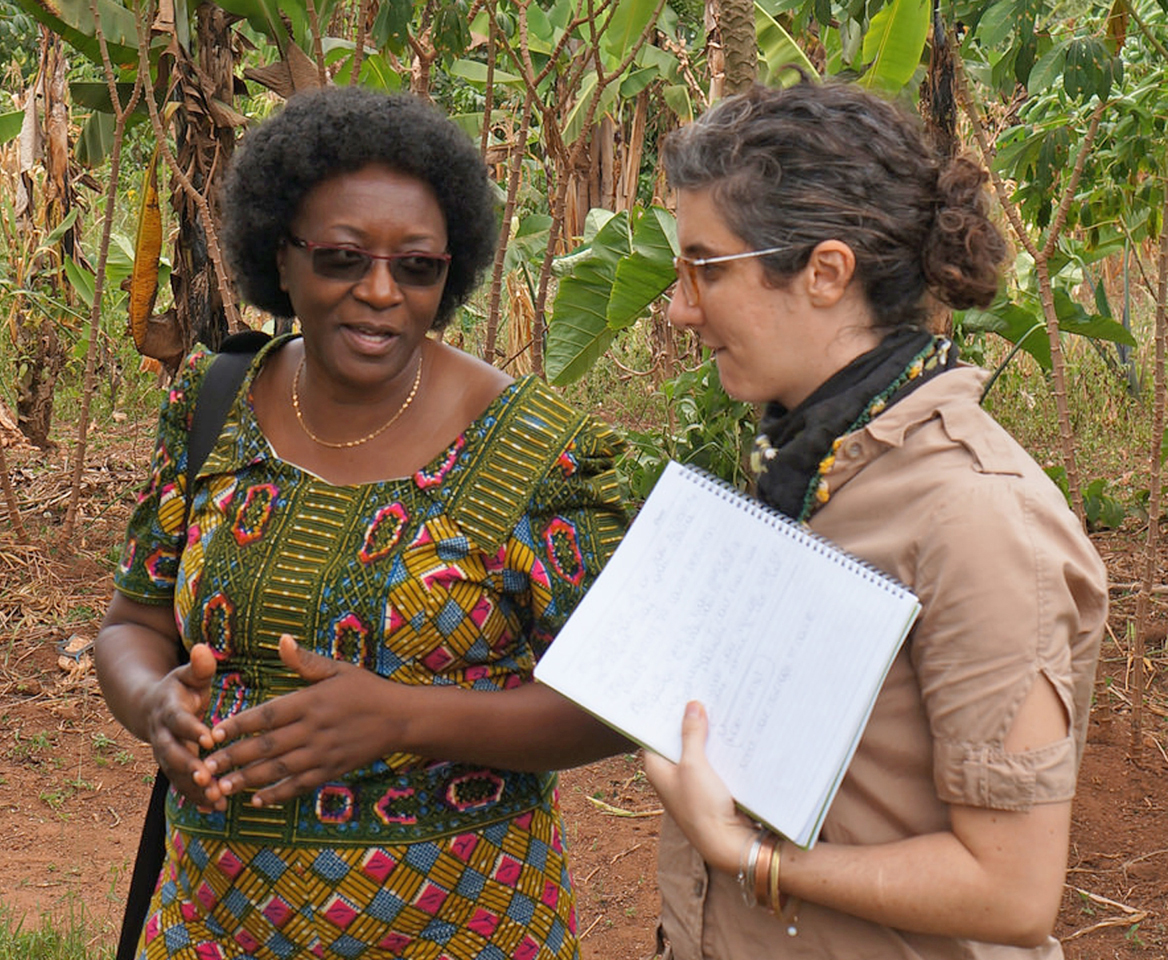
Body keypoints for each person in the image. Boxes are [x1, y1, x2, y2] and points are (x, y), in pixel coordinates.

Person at [96, 85, 629, 960]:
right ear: (283, 253)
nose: (380, 292)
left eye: (417, 268)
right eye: (343, 258)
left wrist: (407, 719)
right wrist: (153, 701)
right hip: (213, 925)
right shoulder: (212, 403)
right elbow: (133, 624)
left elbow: (616, 705)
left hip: (460, 926)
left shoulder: (539, 450)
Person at [642, 81, 1108, 960]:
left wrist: (745, 855)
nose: (680, 308)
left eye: (706, 268)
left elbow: (1012, 888)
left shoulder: (976, 517)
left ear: (825, 271)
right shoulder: (810, 459)